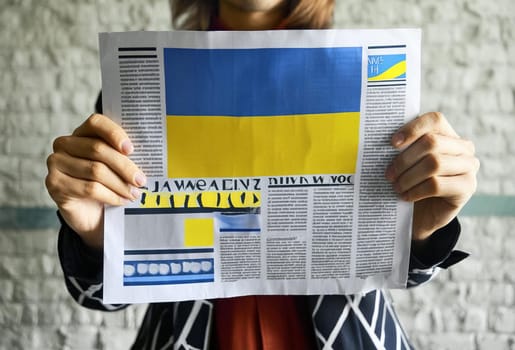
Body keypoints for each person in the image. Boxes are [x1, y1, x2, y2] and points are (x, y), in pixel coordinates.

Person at [45, 0, 480, 349]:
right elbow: (96, 297)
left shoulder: (368, 71)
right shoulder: (135, 83)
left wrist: (421, 233)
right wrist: (94, 234)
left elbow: (403, 275)